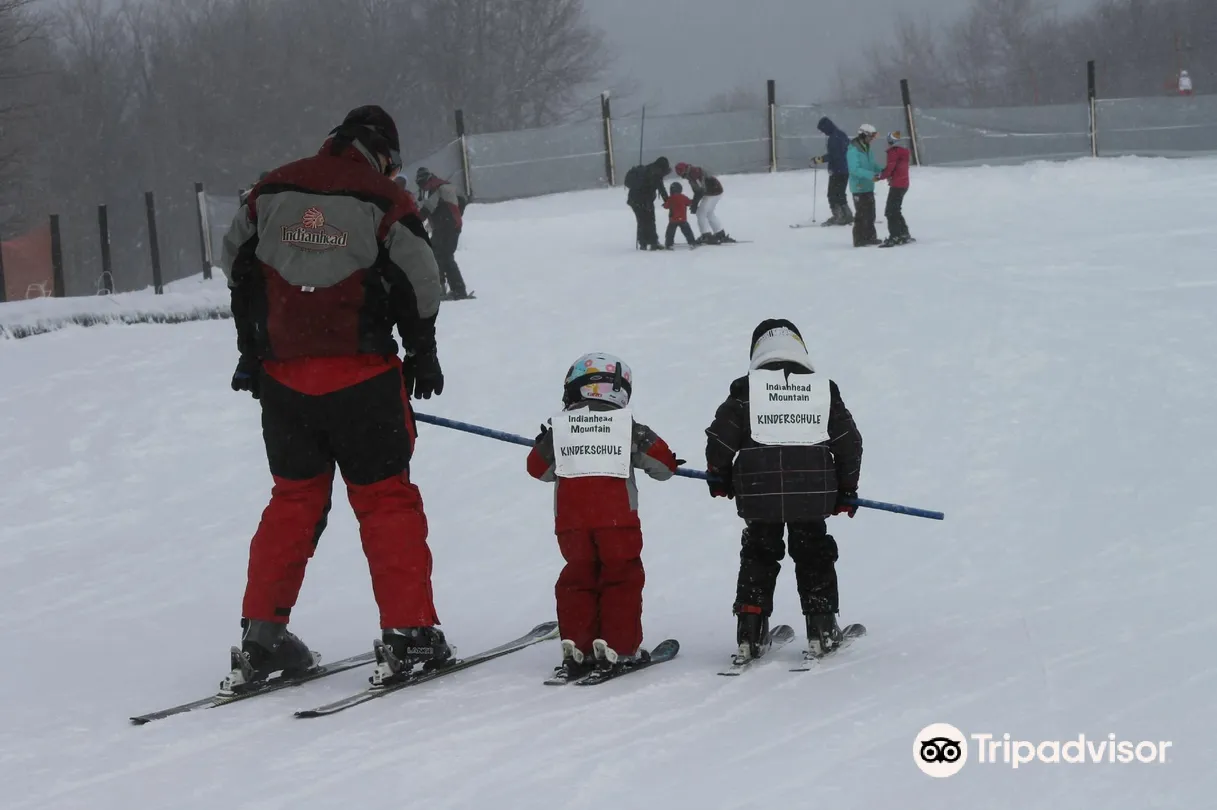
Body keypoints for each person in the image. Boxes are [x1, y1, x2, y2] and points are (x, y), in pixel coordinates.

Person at [219, 105, 452, 690]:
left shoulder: (270, 189)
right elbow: (422, 276)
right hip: (363, 377)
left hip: (284, 381)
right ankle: (408, 633)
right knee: (385, 502)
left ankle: (261, 637)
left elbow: (236, 262)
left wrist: (253, 345)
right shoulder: (382, 198)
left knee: (293, 501)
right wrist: (422, 349)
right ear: (383, 154)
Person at [704, 319, 863, 661]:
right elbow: (849, 443)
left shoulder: (745, 392)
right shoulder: (822, 391)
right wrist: (846, 489)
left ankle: (750, 629)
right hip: (811, 495)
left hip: (759, 495)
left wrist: (719, 477)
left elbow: (719, 440)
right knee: (813, 554)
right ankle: (821, 627)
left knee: (759, 555)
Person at [527, 353, 680, 680]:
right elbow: (664, 466)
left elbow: (536, 469)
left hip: (571, 525)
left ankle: (578, 646)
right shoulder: (628, 428)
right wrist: (666, 458)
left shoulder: (562, 429)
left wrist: (547, 442)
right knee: (621, 577)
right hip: (617, 522)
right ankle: (619, 647)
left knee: (578, 578)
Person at [415, 167, 470, 300]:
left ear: (428, 179)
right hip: (448, 228)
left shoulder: (437, 188)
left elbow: (427, 209)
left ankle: (455, 289)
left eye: (422, 183)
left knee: (444, 257)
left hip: (447, 228)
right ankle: (449, 288)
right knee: (438, 256)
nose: (422, 186)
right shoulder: (445, 186)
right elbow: (462, 200)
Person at [675, 162, 734, 244]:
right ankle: (719, 233)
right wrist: (694, 203)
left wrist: (695, 204)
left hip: (713, 192)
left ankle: (706, 236)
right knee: (709, 213)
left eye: (681, 174)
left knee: (700, 213)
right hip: (714, 191)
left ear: (684, 170)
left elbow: (701, 190)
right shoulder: (690, 173)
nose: (682, 177)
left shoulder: (694, 173)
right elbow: (698, 191)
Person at [847, 124, 885, 247]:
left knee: (870, 214)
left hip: (868, 186)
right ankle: (859, 240)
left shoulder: (867, 148)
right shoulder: (853, 150)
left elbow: (872, 165)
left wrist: (883, 171)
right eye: (871, 136)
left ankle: (870, 237)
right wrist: (871, 175)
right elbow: (854, 169)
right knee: (861, 215)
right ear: (863, 135)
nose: (872, 139)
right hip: (858, 187)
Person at [624, 156, 671, 251]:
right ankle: (651, 242)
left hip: (635, 200)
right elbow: (661, 189)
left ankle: (644, 242)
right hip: (642, 200)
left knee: (643, 221)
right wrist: (668, 202)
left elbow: (659, 188)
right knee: (648, 220)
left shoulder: (648, 169)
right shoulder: (655, 173)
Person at [812, 117, 853, 227]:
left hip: (837, 170)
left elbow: (834, 155)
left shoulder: (833, 138)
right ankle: (847, 215)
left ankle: (838, 216)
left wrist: (819, 159)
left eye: (822, 130)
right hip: (845, 169)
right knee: (840, 194)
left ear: (826, 127)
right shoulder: (841, 135)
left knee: (832, 194)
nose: (823, 132)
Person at [877, 131, 913, 247]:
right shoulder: (903, 152)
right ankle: (903, 233)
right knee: (896, 210)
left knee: (890, 211)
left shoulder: (894, 152)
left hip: (897, 185)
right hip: (903, 183)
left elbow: (890, 168)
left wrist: (880, 176)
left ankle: (895, 236)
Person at [662, 181, 697, 249]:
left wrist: (664, 205)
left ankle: (669, 244)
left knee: (670, 233)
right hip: (682, 219)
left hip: (673, 219)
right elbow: (689, 202)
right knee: (687, 232)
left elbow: (666, 206)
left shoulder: (671, 198)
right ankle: (692, 242)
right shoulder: (683, 197)